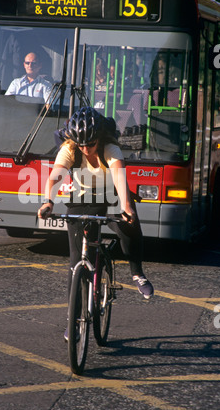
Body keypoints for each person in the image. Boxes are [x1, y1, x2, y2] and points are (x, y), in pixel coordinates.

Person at [37, 107, 154, 340]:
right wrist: (48, 201)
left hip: (110, 192)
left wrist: (126, 207)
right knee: (75, 260)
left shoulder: (110, 149)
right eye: (81, 144)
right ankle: (73, 321)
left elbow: (120, 178)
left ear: (98, 138)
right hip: (83, 197)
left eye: (89, 144)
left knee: (127, 225)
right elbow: (56, 175)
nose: (85, 149)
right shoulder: (70, 148)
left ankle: (137, 273)